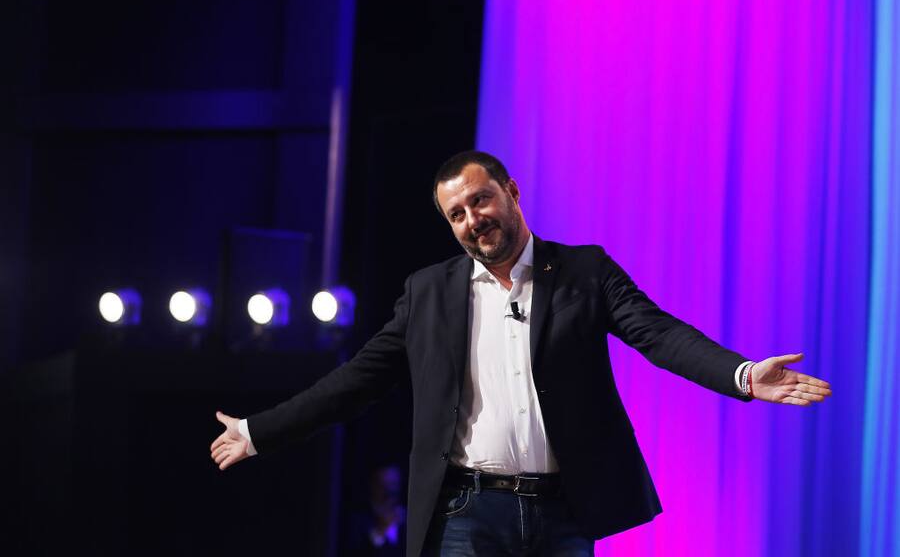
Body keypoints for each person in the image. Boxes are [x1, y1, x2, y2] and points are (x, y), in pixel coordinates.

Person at [210, 151, 832, 556]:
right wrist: (260, 431)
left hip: (564, 513)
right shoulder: (430, 293)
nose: (472, 220)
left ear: (509, 192)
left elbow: (657, 333)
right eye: (456, 214)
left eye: (480, 200)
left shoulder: (584, 271)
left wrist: (744, 374)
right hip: (466, 515)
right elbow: (356, 380)